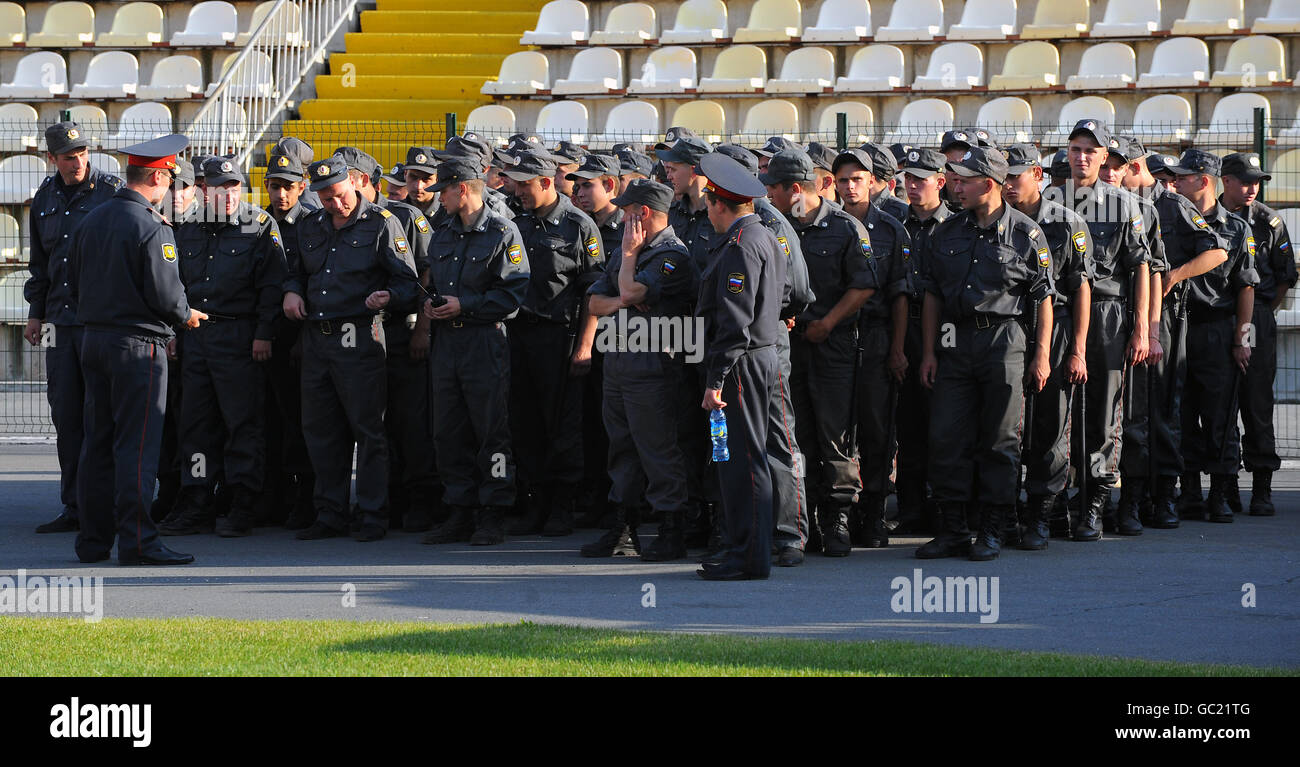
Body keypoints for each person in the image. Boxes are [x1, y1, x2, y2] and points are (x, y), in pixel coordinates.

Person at [68, 134, 207, 565]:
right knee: (138, 445)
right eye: (169, 178)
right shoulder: (151, 225)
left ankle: (92, 543)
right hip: (138, 347)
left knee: (97, 444)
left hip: (93, 339)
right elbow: (166, 296)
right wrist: (187, 316)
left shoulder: (91, 219)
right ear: (158, 176)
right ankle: (139, 542)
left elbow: (70, 279)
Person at [916, 146, 1055, 561]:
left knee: (1000, 439)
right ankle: (953, 529)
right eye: (954, 179)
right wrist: (928, 352)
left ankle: (994, 529)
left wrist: (1041, 354)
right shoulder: (946, 232)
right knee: (945, 436)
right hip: (954, 342)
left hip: (1004, 340)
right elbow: (932, 296)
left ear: (989, 184)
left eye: (964, 179)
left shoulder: (1026, 234)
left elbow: (1043, 297)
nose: (955, 186)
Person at [283, 155, 420, 542]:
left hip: (359, 336)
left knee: (368, 429)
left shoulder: (381, 223)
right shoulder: (310, 224)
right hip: (317, 338)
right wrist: (292, 292)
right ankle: (330, 513)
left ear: (355, 184)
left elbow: (408, 283)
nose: (335, 204)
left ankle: (374, 513)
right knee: (321, 429)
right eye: (325, 198)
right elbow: (295, 271)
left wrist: (388, 297)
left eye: (340, 195)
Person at [164, 157, 286, 537]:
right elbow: (173, 285)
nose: (229, 194)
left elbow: (273, 286)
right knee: (196, 427)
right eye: (220, 187)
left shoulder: (260, 225)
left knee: (242, 424)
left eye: (234, 186)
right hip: (195, 337)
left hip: (240, 337)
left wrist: (265, 333)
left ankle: (242, 502)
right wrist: (173, 331)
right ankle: (197, 500)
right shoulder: (186, 226)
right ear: (204, 189)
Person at [763, 148, 875, 558]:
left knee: (835, 434)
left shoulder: (846, 228)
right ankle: (802, 515)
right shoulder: (773, 226)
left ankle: (837, 515)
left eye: (774, 187)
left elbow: (863, 285)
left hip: (833, 344)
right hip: (790, 347)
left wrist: (828, 322)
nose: (768, 194)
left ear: (796, 189)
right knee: (797, 433)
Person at [581, 179, 699, 558]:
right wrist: (623, 299)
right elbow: (595, 303)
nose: (623, 215)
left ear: (644, 213)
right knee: (622, 447)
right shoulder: (626, 253)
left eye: (629, 210)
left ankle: (671, 527)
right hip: (618, 359)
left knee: (658, 448)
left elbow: (630, 293)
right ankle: (623, 528)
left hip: (654, 364)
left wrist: (628, 273)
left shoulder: (672, 255)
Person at [1115, 138, 1225, 531]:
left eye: (1119, 165)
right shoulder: (1115, 205)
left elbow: (1217, 251)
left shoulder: (1171, 203)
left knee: (1160, 410)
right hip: (1124, 319)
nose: (1111, 173)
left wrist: (1174, 276)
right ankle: (1136, 495)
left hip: (1163, 321)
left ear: (1135, 167)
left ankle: (1164, 496)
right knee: (1128, 413)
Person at [420, 158, 530, 545]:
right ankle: (459, 509)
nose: (439, 200)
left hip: (484, 341)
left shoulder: (503, 231)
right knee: (447, 430)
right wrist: (434, 305)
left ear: (462, 189)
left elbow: (512, 295)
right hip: (447, 341)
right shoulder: (443, 232)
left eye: (443, 191)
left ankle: (494, 510)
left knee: (491, 431)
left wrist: (463, 304)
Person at [24, 121, 124, 534]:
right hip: (61, 326)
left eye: (83, 152)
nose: (78, 161)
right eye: (69, 156)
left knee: (103, 416)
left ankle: (113, 507)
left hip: (100, 322)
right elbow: (40, 265)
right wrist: (35, 311)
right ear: (52, 159)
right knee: (67, 417)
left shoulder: (112, 191)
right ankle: (75, 506)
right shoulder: (44, 198)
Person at [1053, 119, 1151, 541]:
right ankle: (1056, 500)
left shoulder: (1125, 204)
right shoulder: (1051, 202)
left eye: (1091, 151)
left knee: (1102, 414)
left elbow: (1141, 267)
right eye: (1076, 149)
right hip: (1059, 315)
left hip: (1109, 316)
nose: (1082, 157)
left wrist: (1143, 328)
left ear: (1105, 156)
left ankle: (1093, 502)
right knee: (1056, 413)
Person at [695, 152, 786, 580]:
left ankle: (748, 557)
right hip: (756, 358)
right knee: (750, 457)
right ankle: (747, 551)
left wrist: (716, 380)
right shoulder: (762, 235)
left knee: (743, 461)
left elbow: (735, 321)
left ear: (719, 202)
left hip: (742, 363)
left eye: (709, 201)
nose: (707, 210)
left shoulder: (741, 245)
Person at [504, 149, 604, 537]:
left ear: (546, 183)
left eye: (525, 184)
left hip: (558, 336)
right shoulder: (518, 223)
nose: (517, 190)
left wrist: (584, 346)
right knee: (525, 422)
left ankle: (563, 504)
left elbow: (592, 292)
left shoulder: (579, 227)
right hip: (520, 334)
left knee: (562, 423)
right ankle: (536, 502)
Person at [1002, 143, 1094, 549]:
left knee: (1050, 427)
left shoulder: (1065, 223)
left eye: (1014, 176)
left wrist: (1077, 349)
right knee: (1004, 427)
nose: (1006, 185)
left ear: (1037, 176)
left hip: (1053, 330)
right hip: (1007, 328)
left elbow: (1079, 288)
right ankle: (1004, 512)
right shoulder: (991, 219)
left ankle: (1041, 514)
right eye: (1001, 176)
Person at [1167, 150, 1259, 524]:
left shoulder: (1236, 229)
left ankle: (1221, 491)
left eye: (1184, 178)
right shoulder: (1171, 219)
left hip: (1217, 329)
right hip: (1178, 325)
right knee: (1182, 411)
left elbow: (1247, 289)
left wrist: (1243, 340)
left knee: (1220, 415)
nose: (1175, 183)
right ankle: (1189, 491)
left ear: (1204, 181)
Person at [832, 148, 911, 548]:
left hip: (878, 337)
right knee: (838, 429)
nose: (850, 187)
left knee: (879, 429)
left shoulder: (892, 229)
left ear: (872, 181)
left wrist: (897, 349)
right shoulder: (826, 225)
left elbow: (900, 296)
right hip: (838, 338)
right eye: (843, 180)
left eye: (857, 179)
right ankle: (840, 513)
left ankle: (874, 511)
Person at [1219, 152, 1295, 516]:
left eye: (1257, 181)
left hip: (1256, 319)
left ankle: (1262, 485)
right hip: (1218, 316)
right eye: (1245, 180)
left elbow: (1284, 277)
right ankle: (1226, 484)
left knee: (1257, 403)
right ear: (1226, 180)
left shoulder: (1269, 221)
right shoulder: (1208, 217)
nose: (1252, 188)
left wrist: (1259, 314)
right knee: (1220, 404)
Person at [895, 148, 954, 533]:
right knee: (907, 421)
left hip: (944, 328)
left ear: (941, 181)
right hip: (902, 325)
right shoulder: (893, 222)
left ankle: (942, 507)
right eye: (908, 179)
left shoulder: (956, 225)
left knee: (944, 421)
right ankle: (910, 509)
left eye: (922, 178)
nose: (913, 186)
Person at [567, 153, 623, 529]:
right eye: (576, 185)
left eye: (588, 185)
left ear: (611, 186)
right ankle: (591, 496)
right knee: (585, 421)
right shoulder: (576, 226)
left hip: (619, 338)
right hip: (578, 334)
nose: (580, 192)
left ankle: (617, 503)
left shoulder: (626, 227)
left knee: (614, 425)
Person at [262, 148, 316, 529]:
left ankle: (308, 499)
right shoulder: (257, 223)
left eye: (288, 186)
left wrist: (302, 337)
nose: (281, 194)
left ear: (303, 186)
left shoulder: (314, 225)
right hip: (269, 337)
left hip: (305, 337)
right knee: (272, 420)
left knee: (305, 421)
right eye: (274, 186)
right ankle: (275, 497)